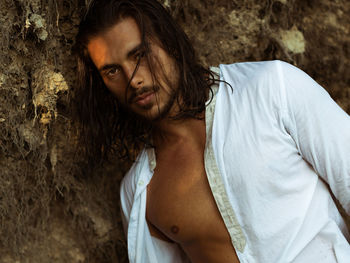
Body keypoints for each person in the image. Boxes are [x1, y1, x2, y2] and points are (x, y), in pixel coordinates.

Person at [74, 0, 350, 262]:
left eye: (140, 55)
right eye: (112, 71)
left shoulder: (271, 90)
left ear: (168, 41)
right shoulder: (140, 195)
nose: (134, 79)